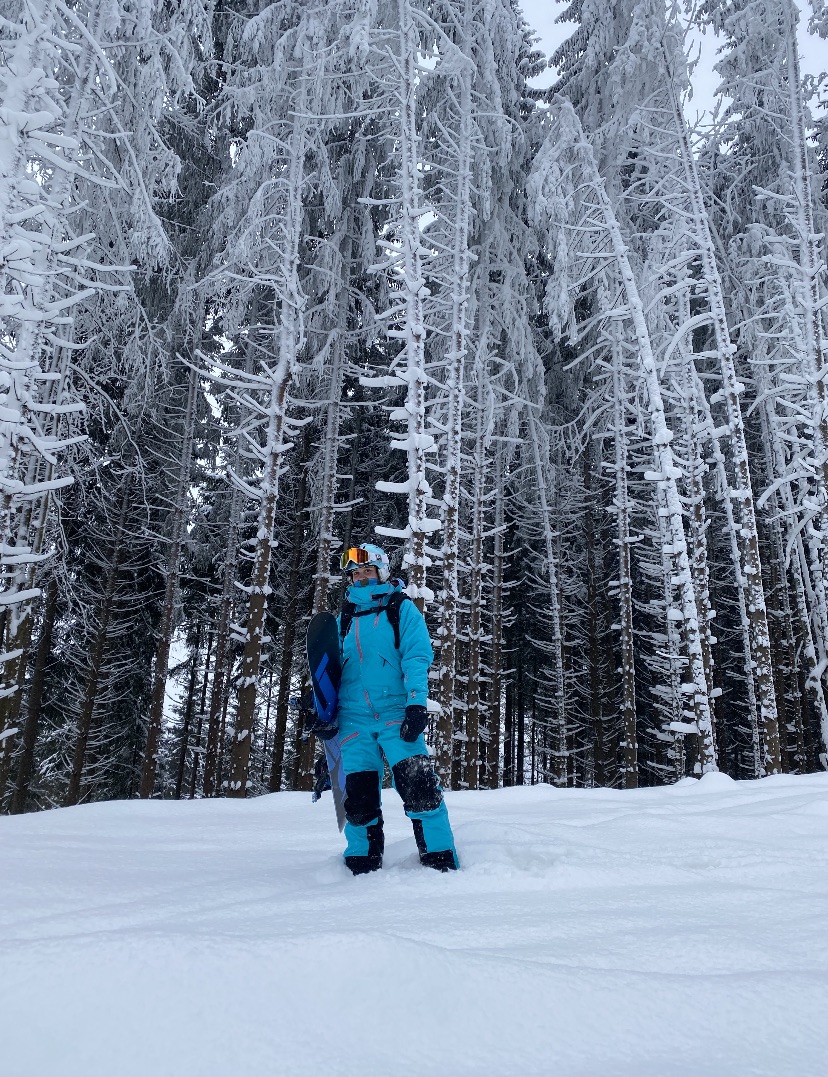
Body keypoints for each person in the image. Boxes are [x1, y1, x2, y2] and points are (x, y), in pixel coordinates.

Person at [310, 542, 459, 875]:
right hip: (353, 721)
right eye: (355, 574)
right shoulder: (344, 618)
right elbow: (329, 670)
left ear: (381, 571)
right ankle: (360, 863)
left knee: (420, 788)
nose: (361, 578)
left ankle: (440, 859)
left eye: (367, 571)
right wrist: (322, 710)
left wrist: (417, 703)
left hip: (396, 715)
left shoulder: (401, 609)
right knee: (359, 800)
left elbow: (417, 658)